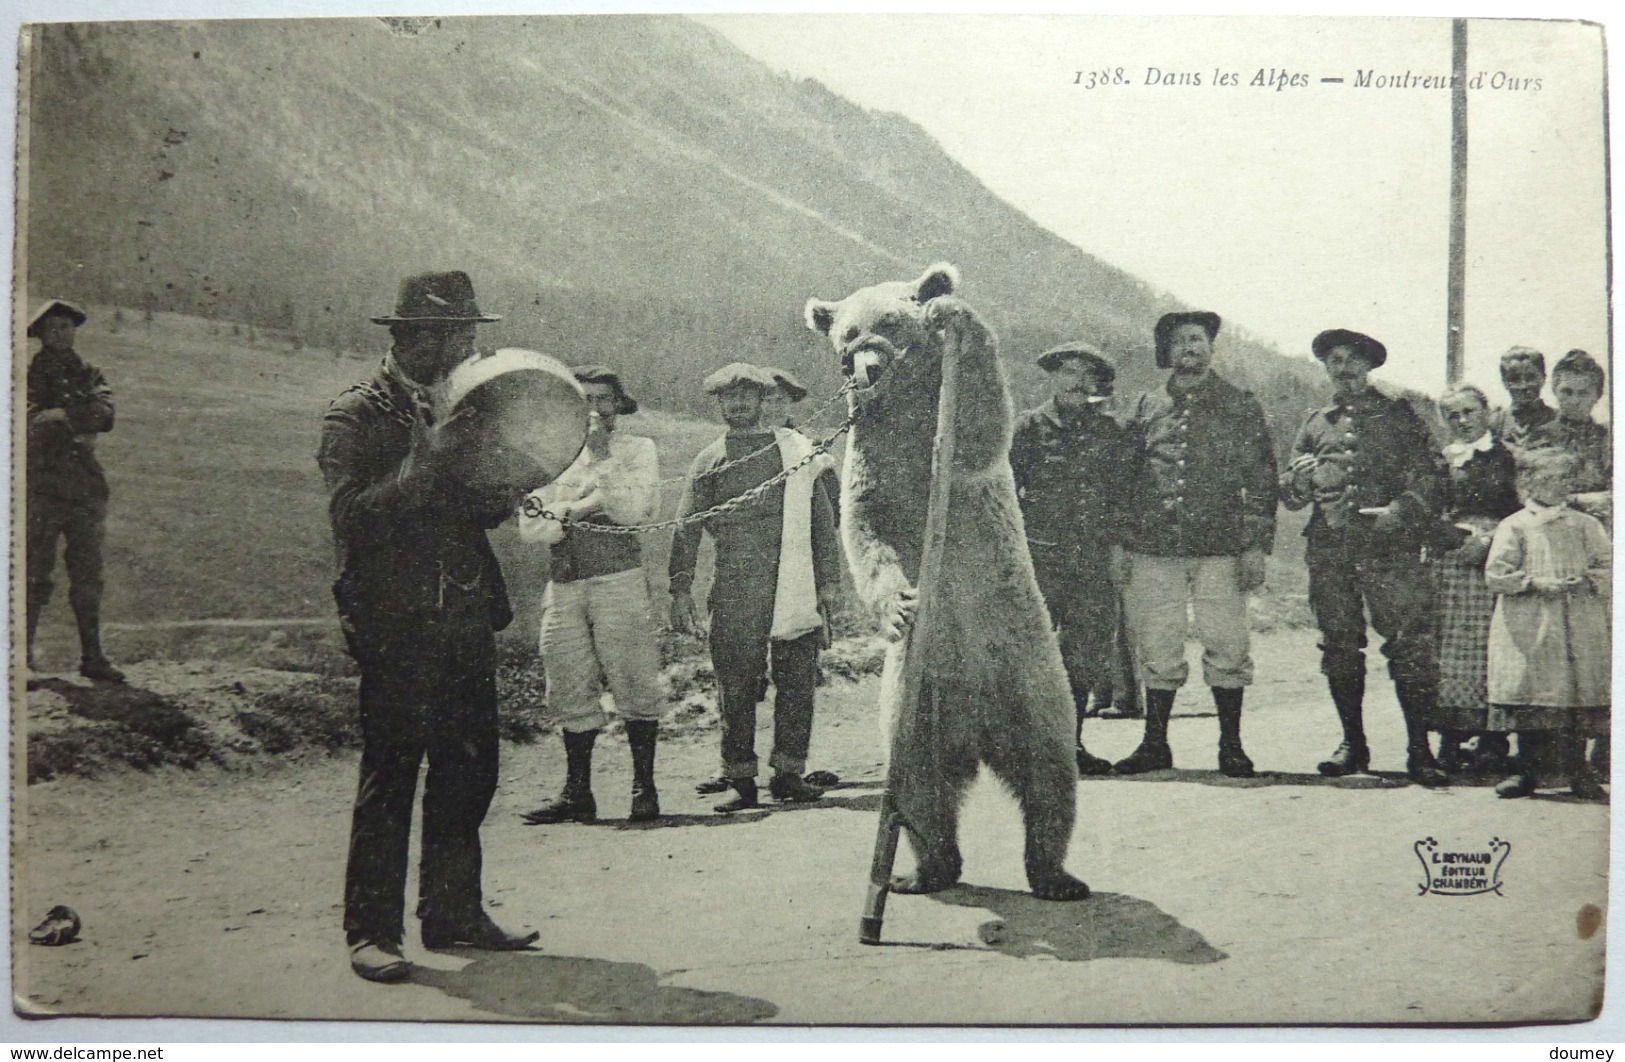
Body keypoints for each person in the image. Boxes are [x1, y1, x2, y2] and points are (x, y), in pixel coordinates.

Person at [318, 272, 538, 984]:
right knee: (392, 774)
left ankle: (453, 913)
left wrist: (500, 488)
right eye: (461, 335)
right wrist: (431, 462)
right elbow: (353, 517)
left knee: (469, 768)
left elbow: (471, 511)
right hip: (394, 624)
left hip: (464, 613)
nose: (472, 346)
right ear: (415, 337)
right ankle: (371, 932)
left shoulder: (463, 406)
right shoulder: (355, 415)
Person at [668, 362, 842, 812]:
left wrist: (828, 584)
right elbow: (686, 526)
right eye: (730, 397)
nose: (739, 404)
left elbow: (823, 524)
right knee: (736, 683)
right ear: (719, 403)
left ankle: (788, 773)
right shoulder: (709, 459)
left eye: (749, 395)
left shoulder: (797, 452)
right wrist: (680, 586)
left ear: (765, 400)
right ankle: (739, 778)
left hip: (796, 582)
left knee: (798, 681)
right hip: (737, 586)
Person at [1280, 329, 1449, 787]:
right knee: (1339, 647)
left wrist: (1403, 510)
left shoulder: (1399, 415)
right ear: (1327, 368)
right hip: (1331, 550)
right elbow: (1291, 493)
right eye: (1336, 360)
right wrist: (1297, 481)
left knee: (1408, 647)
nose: (1345, 368)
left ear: (1370, 366)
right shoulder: (1316, 422)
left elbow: (1432, 473)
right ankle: (1352, 744)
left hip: (1389, 550)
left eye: (1354, 360)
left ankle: (1420, 749)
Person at [1114, 312, 1277, 778]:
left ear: (1212, 348)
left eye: (1199, 339)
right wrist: (1121, 543)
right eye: (1181, 340)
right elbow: (1125, 480)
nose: (1191, 347)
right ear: (1166, 352)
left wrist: (1254, 546)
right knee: (1158, 645)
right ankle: (1154, 744)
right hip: (1153, 547)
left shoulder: (1239, 404)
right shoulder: (1145, 407)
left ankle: (1231, 746)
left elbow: (1262, 479)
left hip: (1220, 548)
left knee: (1226, 643)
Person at [516, 365, 664, 825]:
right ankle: (577, 791)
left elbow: (633, 511)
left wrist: (602, 461)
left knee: (634, 678)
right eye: (584, 400)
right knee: (566, 680)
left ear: (619, 405)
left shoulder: (639, 451)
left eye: (603, 399)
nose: (594, 409)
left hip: (619, 580)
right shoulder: (547, 456)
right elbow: (532, 527)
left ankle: (645, 786)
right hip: (564, 587)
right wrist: (584, 506)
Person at [1007, 342, 1127, 775]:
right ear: (1052, 378)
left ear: (1095, 382)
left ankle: (1069, 745)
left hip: (1092, 560)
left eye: (1083, 374)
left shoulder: (1110, 432)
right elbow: (1006, 492)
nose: (1075, 381)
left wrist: (1116, 551)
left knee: (1084, 655)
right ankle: (1025, 749)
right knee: (1032, 653)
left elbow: (1122, 498)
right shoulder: (1027, 427)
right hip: (1039, 559)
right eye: (1066, 372)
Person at [1484, 450, 1610, 799]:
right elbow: (1496, 574)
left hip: (1576, 622)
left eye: (1565, 479)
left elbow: (1609, 564)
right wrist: (1534, 582)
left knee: (1575, 695)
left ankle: (1578, 772)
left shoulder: (1586, 525)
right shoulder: (1515, 525)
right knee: (1533, 696)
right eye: (1550, 478)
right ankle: (1527, 772)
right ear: (1528, 482)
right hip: (1530, 624)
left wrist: (1585, 580)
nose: (1559, 486)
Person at [24, 299, 125, 684]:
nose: (61, 334)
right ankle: (23, 658)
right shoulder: (26, 376)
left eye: (66, 327)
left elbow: (106, 415)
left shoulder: (90, 373)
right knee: (36, 574)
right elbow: (33, 422)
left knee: (88, 574)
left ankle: (93, 657)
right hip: (42, 486)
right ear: (41, 336)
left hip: (84, 487)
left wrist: (62, 416)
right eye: (53, 329)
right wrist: (74, 422)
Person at [1423, 384, 1521, 775]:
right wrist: (1448, 539)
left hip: (1495, 558)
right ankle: (1451, 737)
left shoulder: (1508, 458)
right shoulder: (1439, 460)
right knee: (1447, 648)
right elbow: (1427, 508)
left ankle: (1494, 739)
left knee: (1489, 648)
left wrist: (1490, 541)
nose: (1462, 421)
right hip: (1449, 559)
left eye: (1469, 411)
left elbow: (1520, 509)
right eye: (1452, 415)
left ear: (1486, 412)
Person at [1487, 346, 1557, 449]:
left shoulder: (1558, 419)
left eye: (1530, 377)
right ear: (1505, 383)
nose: (1523, 386)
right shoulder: (1495, 423)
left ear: (1542, 379)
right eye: (1515, 379)